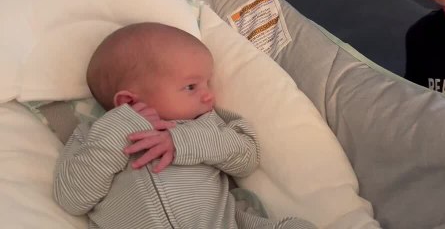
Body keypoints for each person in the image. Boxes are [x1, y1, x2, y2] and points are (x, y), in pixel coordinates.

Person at [53, 22, 315, 229]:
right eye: (191, 86)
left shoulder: (204, 124)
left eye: (207, 83)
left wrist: (182, 141)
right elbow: (72, 199)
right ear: (129, 101)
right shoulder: (94, 137)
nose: (208, 95)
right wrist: (116, 132)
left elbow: (245, 156)